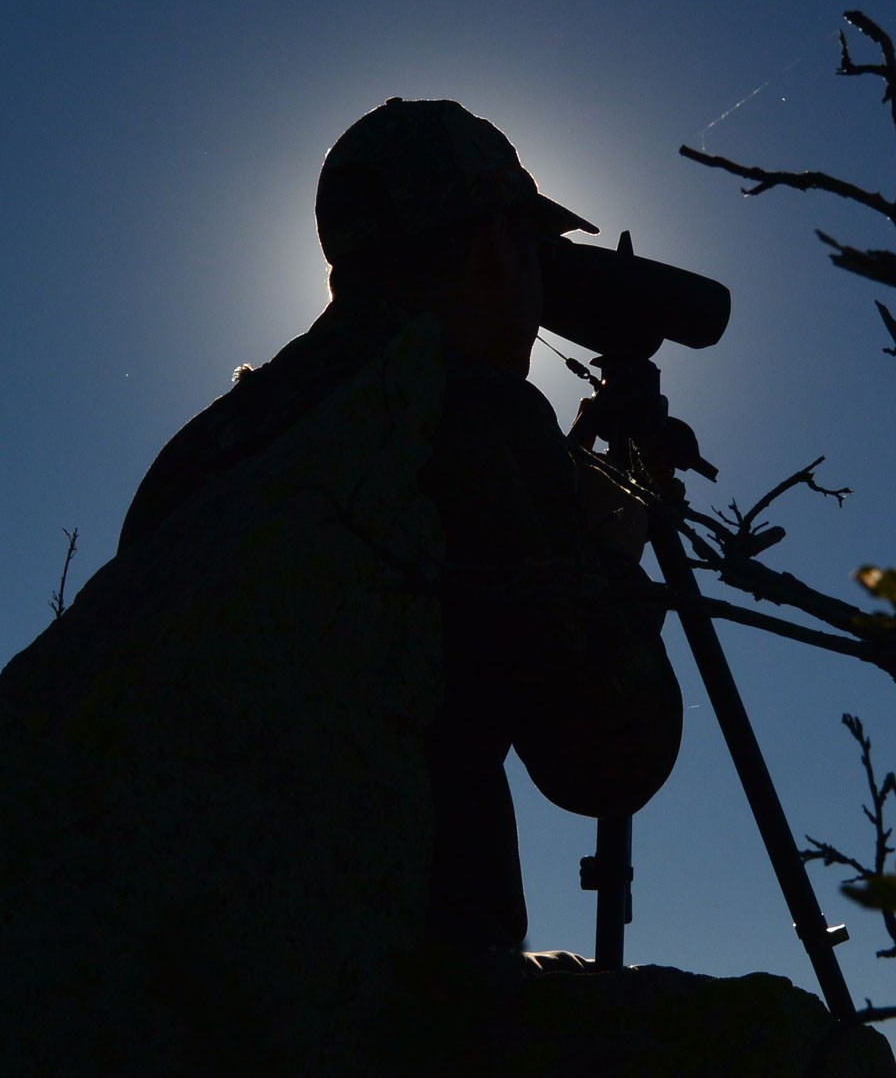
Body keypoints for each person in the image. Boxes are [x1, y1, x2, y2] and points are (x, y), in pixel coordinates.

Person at [118, 98, 682, 953]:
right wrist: (610, 554)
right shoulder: (470, 414)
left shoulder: (210, 445)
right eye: (533, 249)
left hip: (157, 961)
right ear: (497, 244)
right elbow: (607, 757)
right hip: (372, 986)